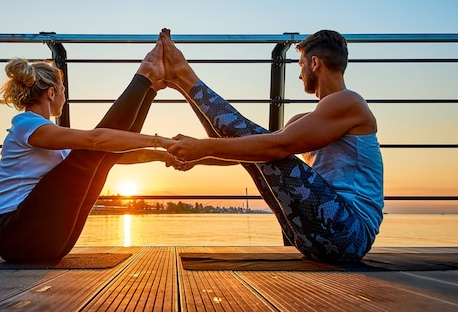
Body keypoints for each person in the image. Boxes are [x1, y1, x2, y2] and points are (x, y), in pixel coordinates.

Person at [162, 28, 383, 263]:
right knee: (261, 150)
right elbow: (251, 149)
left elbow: (274, 148)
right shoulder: (304, 121)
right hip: (313, 235)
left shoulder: (349, 102)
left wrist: (203, 147)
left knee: (272, 149)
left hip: (349, 234)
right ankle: (182, 82)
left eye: (300, 65)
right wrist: (196, 157)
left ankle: (184, 77)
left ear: (315, 63)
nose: (299, 75)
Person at [0, 37, 176, 263]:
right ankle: (145, 76)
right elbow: (96, 140)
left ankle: (149, 85)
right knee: (94, 148)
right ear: (51, 93)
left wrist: (163, 155)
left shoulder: (50, 136)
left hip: (45, 242)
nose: (64, 98)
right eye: (62, 91)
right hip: (15, 235)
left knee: (102, 157)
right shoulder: (26, 124)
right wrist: (159, 140)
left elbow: (108, 155)